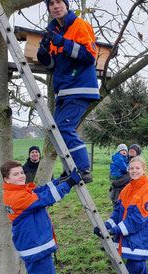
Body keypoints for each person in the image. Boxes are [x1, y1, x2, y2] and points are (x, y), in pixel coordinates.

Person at [1, 160, 82, 274]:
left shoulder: (18, 191)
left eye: (21, 172)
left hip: (36, 245)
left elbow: (38, 191)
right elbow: (45, 198)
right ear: (6, 179)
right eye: (15, 174)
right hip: (35, 248)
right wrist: (69, 183)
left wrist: (59, 180)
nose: (21, 176)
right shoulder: (17, 197)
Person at [37, 0, 100, 183]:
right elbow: (55, 66)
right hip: (63, 90)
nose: (56, 6)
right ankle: (70, 168)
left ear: (66, 5)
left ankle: (83, 169)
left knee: (64, 128)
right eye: (51, 4)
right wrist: (44, 56)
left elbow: (89, 56)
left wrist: (63, 42)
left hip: (80, 88)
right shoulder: (53, 31)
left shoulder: (80, 25)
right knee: (55, 131)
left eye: (59, 2)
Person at [109, 143, 143, 207]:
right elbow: (112, 176)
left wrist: (116, 181)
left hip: (131, 196)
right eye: (130, 149)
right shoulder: (121, 160)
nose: (131, 150)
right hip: (117, 194)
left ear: (137, 153)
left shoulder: (138, 165)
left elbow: (116, 182)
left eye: (134, 149)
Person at [109, 144, 128, 208]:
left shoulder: (123, 158)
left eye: (125, 150)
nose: (124, 151)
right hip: (117, 178)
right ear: (119, 151)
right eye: (122, 150)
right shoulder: (119, 158)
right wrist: (127, 169)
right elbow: (124, 168)